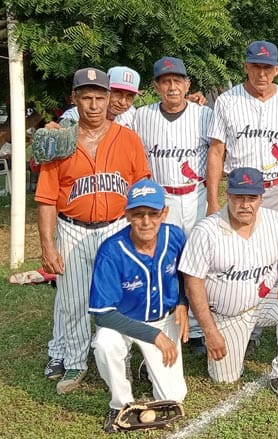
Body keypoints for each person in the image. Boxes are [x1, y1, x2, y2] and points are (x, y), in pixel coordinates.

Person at [37, 67, 151, 394]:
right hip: (72, 229)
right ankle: (74, 362)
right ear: (74, 99)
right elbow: (46, 199)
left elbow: (141, 185)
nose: (94, 105)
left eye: (100, 97)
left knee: (120, 298)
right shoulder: (60, 142)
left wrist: (142, 229)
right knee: (73, 302)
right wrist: (47, 246)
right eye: (86, 97)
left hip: (116, 229)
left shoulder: (128, 139)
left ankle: (120, 359)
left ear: (110, 98)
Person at [179, 168, 278, 401]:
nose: (245, 204)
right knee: (225, 378)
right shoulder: (206, 230)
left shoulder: (275, 221)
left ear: (261, 198)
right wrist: (210, 331)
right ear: (227, 196)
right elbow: (193, 284)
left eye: (251, 198)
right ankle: (234, 342)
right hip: (226, 315)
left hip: (263, 302)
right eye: (238, 197)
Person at [88, 179, 188, 432]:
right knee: (105, 343)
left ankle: (147, 365)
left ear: (164, 213)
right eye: (138, 214)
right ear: (127, 215)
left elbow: (187, 274)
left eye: (153, 214)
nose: (146, 222)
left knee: (174, 397)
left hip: (163, 319)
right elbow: (103, 315)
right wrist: (155, 336)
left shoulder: (174, 236)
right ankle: (120, 404)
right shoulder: (112, 250)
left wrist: (182, 302)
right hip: (124, 322)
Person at [207, 41, 278, 237]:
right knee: (238, 252)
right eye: (256, 66)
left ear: (276, 69)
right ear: (246, 66)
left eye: (267, 67)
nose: (261, 74)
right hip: (240, 191)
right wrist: (213, 200)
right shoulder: (227, 101)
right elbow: (216, 151)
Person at [132, 56, 212, 233]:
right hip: (162, 196)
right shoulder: (141, 115)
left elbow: (218, 154)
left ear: (187, 85)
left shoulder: (204, 114)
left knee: (199, 251)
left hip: (197, 195)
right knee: (166, 252)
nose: (173, 87)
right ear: (156, 86)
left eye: (177, 81)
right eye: (166, 82)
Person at [58, 66, 141, 127]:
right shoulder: (73, 117)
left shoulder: (133, 115)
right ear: (106, 92)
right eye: (117, 93)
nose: (122, 102)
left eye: (129, 97)